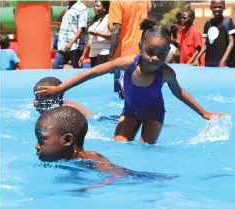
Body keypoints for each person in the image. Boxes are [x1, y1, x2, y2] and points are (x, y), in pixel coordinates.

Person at [35, 19, 226, 144]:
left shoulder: (166, 73)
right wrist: (61, 87)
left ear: (168, 52)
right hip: (129, 112)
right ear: (140, 47)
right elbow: (91, 73)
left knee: (145, 149)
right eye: (149, 52)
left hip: (154, 114)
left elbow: (179, 92)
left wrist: (205, 113)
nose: (154, 58)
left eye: (161, 54)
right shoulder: (127, 64)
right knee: (119, 146)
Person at [35, 106, 176, 191]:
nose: (37, 145)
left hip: (146, 180)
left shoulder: (89, 158)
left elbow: (119, 174)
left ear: (67, 140)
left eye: (41, 140)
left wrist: (94, 186)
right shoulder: (71, 159)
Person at [108, 0, 152, 99]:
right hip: (141, 52)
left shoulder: (116, 2)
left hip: (123, 56)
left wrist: (111, 57)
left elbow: (116, 29)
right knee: (139, 93)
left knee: (123, 96)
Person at [193, 0, 235, 67]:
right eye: (214, 7)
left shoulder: (228, 22)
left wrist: (223, 60)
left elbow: (231, 42)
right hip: (209, 62)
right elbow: (206, 44)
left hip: (223, 64)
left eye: (220, 7)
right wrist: (197, 58)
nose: (217, 9)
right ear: (211, 8)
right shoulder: (208, 24)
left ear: (224, 7)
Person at [52, 0, 88, 69]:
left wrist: (71, 43)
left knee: (76, 69)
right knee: (56, 66)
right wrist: (61, 14)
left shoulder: (82, 8)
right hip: (62, 45)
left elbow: (82, 28)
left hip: (75, 46)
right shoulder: (68, 7)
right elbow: (59, 22)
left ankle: (75, 69)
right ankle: (72, 68)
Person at [78, 1, 111, 68]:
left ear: (104, 8)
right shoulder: (95, 20)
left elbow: (113, 35)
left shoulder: (108, 18)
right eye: (94, 6)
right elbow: (90, 40)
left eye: (98, 6)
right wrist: (83, 55)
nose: (95, 8)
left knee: (99, 76)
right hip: (93, 54)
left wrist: (98, 33)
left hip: (104, 53)